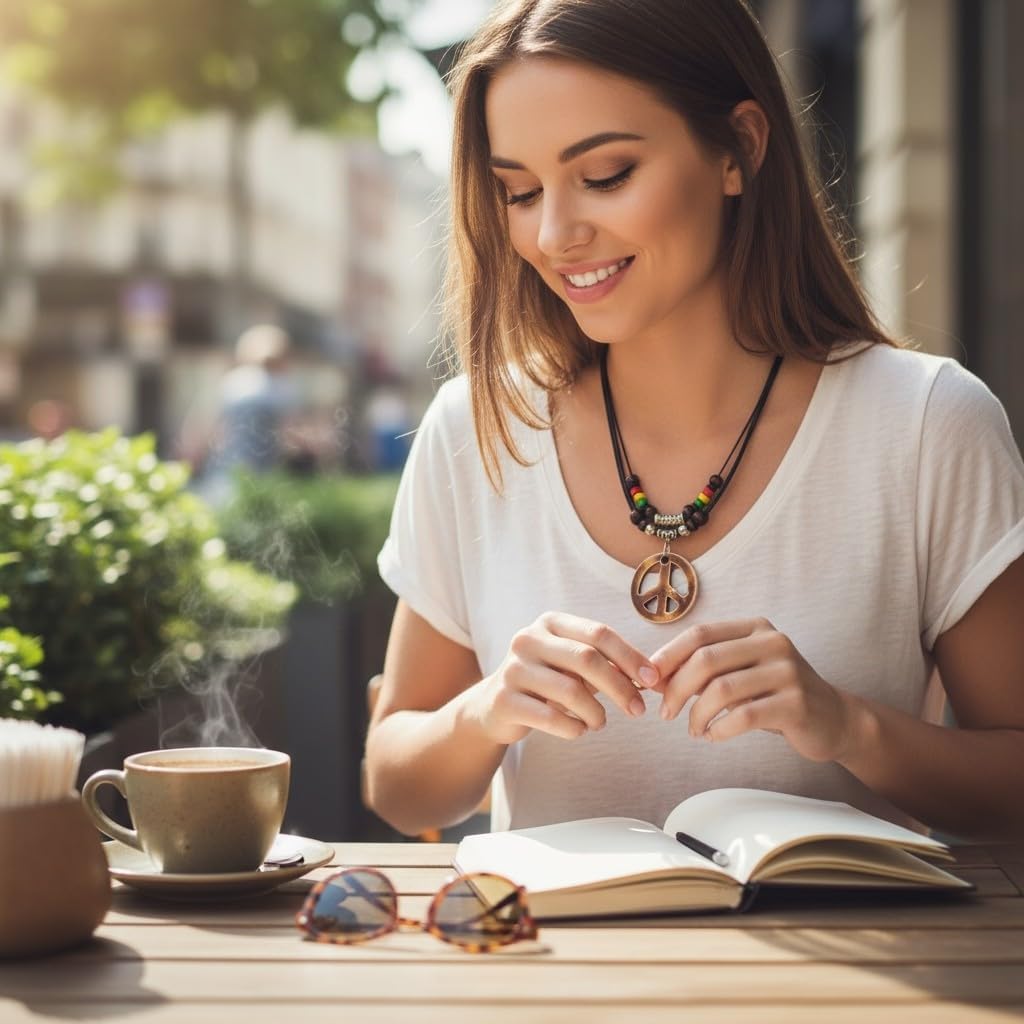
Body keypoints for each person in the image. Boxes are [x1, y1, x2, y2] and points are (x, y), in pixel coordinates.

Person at [364, 0, 1024, 841]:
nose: (556, 233)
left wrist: (848, 728)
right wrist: (487, 710)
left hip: (851, 973)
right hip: (549, 970)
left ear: (739, 150)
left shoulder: (929, 425)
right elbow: (396, 786)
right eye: (520, 191)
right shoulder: (477, 427)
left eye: (604, 175)